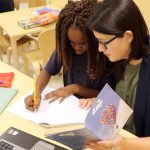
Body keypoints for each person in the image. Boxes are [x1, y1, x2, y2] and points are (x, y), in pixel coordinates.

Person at [80, 0, 150, 149]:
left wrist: (125, 144)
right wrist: (101, 102)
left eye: (104, 42)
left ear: (128, 36)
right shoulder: (119, 60)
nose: (100, 48)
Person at [24, 0, 115, 111]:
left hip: (95, 108)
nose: (76, 48)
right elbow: (47, 71)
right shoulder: (65, 48)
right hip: (71, 105)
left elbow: (107, 95)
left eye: (82, 43)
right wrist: (37, 92)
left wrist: (75, 89)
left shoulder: (104, 54)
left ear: (93, 38)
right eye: (72, 42)